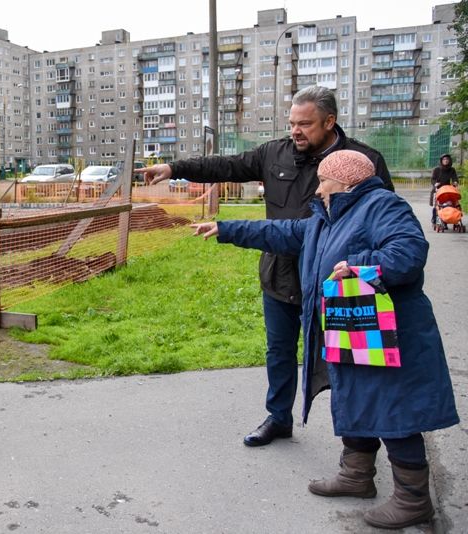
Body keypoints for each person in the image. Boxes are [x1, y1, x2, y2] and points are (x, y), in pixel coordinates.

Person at [192, 150, 459, 529]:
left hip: (388, 333)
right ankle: (356, 475)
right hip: (353, 328)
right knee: (354, 397)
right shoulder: (329, 217)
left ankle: (413, 500)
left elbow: (409, 253)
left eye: (323, 181)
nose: (317, 190)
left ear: (345, 182)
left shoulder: (382, 206)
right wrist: (225, 229)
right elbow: (283, 232)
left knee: (393, 409)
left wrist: (360, 265)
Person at [135, 86, 393, 447]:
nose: (296, 131)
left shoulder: (362, 161)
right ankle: (279, 418)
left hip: (335, 280)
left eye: (305, 124)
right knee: (279, 351)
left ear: (329, 121)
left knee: (348, 359)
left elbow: (383, 223)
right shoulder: (275, 153)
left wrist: (363, 267)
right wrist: (174, 167)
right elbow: (226, 165)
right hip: (280, 274)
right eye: (292, 123)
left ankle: (359, 443)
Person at [430, 154, 459, 227]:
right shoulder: (436, 169)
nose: (446, 161)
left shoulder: (452, 170)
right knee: (436, 205)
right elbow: (433, 179)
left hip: (447, 190)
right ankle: (434, 219)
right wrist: (435, 183)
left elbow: (454, 178)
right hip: (438, 188)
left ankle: (447, 219)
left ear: (449, 161)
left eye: (447, 159)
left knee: (449, 205)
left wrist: (455, 182)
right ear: (441, 161)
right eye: (444, 159)